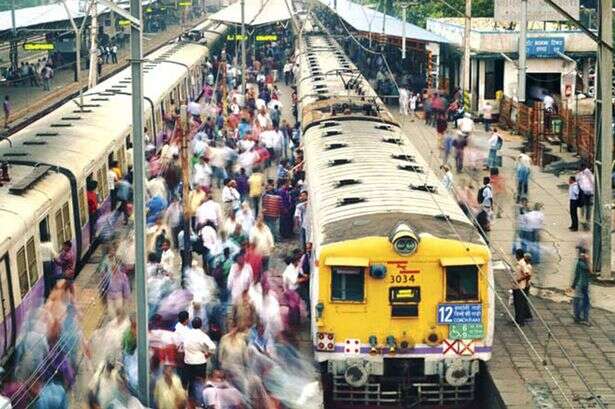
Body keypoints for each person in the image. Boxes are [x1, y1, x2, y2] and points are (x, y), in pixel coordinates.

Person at [183, 317, 216, 394]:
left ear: (192, 324)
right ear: (201, 325)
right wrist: (208, 355)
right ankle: (200, 402)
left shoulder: (186, 334)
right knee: (200, 384)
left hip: (188, 363)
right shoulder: (203, 335)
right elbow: (213, 347)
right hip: (200, 363)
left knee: (190, 383)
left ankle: (192, 402)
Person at [570, 249, 591, 326]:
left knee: (579, 301)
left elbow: (577, 275)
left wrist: (573, 285)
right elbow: (589, 270)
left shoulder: (579, 263)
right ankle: (584, 319)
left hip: (582, 285)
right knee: (585, 303)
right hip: (582, 285)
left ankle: (577, 316)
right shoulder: (582, 264)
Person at [512, 249, 530, 326]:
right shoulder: (519, 263)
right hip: (516, 287)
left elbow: (527, 274)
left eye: (516, 254)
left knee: (520, 305)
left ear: (518, 255)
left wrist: (519, 280)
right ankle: (517, 320)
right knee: (516, 304)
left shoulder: (522, 263)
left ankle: (520, 322)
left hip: (520, 287)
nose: (515, 256)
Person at [576, 164, 594, 230]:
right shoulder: (590, 174)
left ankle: (583, 219)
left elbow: (578, 182)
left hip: (584, 192)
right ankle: (587, 220)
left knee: (583, 206)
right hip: (591, 193)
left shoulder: (580, 175)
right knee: (589, 207)